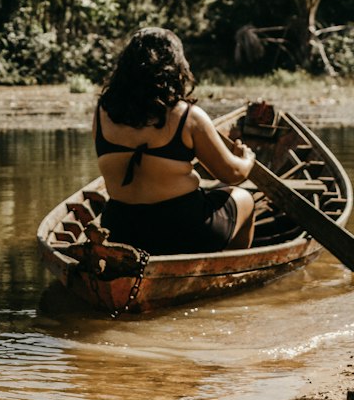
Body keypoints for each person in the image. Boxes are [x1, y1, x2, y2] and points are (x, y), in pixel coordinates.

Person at [93, 27, 256, 256]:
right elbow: (231, 174)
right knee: (245, 199)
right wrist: (246, 159)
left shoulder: (102, 112)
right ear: (176, 67)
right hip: (184, 231)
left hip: (120, 231)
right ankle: (232, 271)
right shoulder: (189, 117)